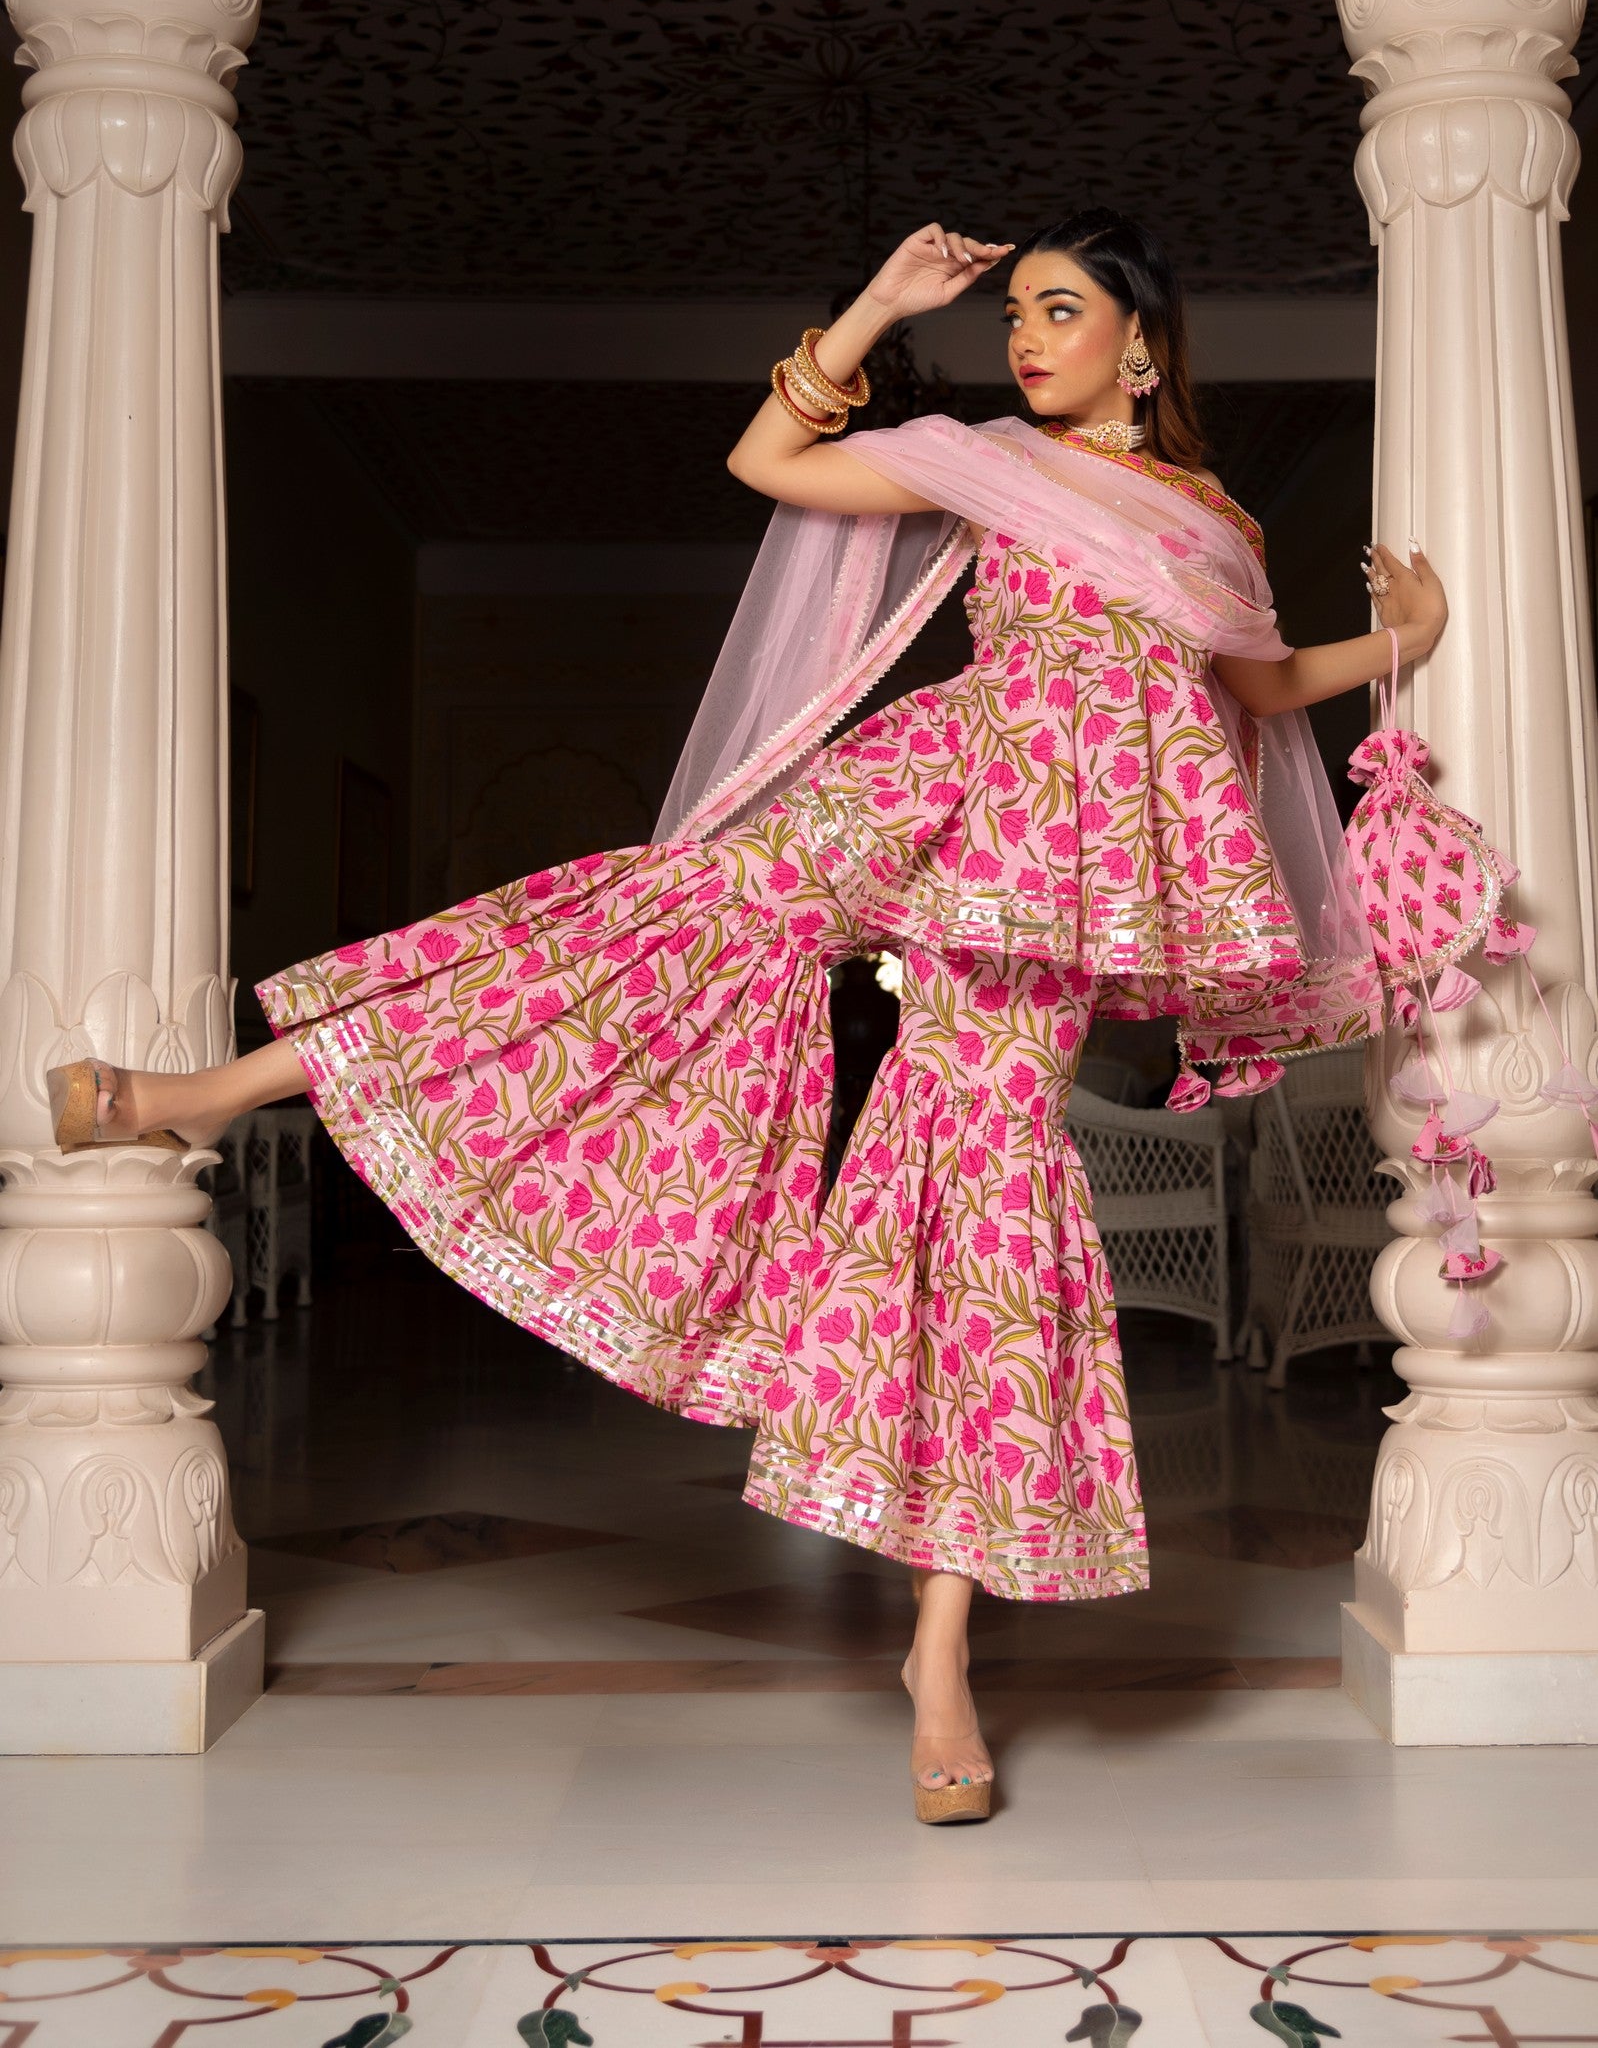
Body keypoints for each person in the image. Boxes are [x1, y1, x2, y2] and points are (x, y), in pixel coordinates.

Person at [45, 209, 1447, 1825]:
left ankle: (938, 1656)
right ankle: (211, 1090)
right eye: (1012, 313)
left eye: (1058, 310)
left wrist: (1393, 644)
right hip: (933, 783)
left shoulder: (1214, 522)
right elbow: (769, 459)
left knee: (988, 1197)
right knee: (645, 920)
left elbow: (1251, 690)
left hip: (1060, 877)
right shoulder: (988, 462)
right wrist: (879, 304)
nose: (1024, 337)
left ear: (1141, 339)